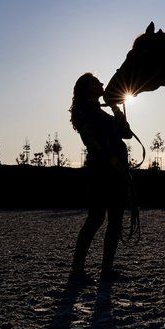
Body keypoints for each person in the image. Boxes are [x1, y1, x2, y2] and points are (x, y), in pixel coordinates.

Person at [68, 72, 133, 284]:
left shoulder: (101, 111)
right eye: (97, 82)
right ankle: (77, 270)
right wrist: (110, 159)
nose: (102, 83)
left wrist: (117, 109)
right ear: (88, 88)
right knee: (96, 219)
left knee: (114, 220)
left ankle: (106, 270)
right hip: (101, 171)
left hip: (117, 171)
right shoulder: (84, 112)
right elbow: (90, 140)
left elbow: (126, 134)